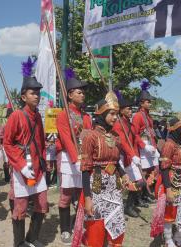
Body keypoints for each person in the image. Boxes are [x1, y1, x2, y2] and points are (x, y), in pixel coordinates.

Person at [3, 58, 48, 247]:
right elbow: (7, 144)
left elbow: (41, 143)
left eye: (38, 92)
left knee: (42, 205)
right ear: (23, 97)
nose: (37, 96)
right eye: (32, 93)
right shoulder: (16, 116)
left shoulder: (38, 116)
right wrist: (21, 166)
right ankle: (19, 242)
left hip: (38, 168)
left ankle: (32, 237)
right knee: (20, 208)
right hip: (22, 167)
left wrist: (45, 162)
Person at [80, 91, 131, 247]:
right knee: (97, 227)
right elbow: (85, 168)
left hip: (113, 188)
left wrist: (123, 174)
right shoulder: (90, 136)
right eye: (111, 114)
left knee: (116, 225)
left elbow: (115, 162)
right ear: (101, 113)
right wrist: (87, 198)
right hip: (96, 186)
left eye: (116, 114)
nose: (115, 117)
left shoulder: (115, 136)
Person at [55, 68, 91, 244]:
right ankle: (65, 229)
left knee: (82, 194)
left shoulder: (86, 117)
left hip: (82, 159)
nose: (82, 94)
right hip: (69, 160)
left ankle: (78, 226)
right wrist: (76, 158)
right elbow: (67, 139)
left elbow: (88, 138)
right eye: (79, 92)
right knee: (66, 196)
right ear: (69, 95)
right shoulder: (63, 115)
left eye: (83, 92)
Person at [151, 116, 181, 247]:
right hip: (172, 182)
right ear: (175, 129)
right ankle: (168, 240)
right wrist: (168, 189)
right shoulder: (169, 144)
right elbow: (164, 168)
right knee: (170, 211)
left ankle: (177, 237)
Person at [113, 95, 144, 218]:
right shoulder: (117, 124)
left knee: (139, 182)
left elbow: (135, 137)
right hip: (120, 157)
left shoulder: (130, 125)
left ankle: (129, 206)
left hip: (130, 157)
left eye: (131, 109)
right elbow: (123, 142)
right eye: (128, 109)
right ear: (121, 110)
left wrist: (143, 147)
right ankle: (117, 208)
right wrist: (133, 155)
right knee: (119, 185)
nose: (131, 111)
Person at [132, 80, 159, 206]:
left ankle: (144, 194)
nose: (150, 103)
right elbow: (135, 134)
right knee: (142, 172)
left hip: (150, 147)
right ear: (141, 103)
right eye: (148, 101)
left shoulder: (149, 116)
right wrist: (144, 146)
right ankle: (137, 198)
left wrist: (154, 147)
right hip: (143, 148)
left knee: (149, 171)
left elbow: (151, 133)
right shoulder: (137, 116)